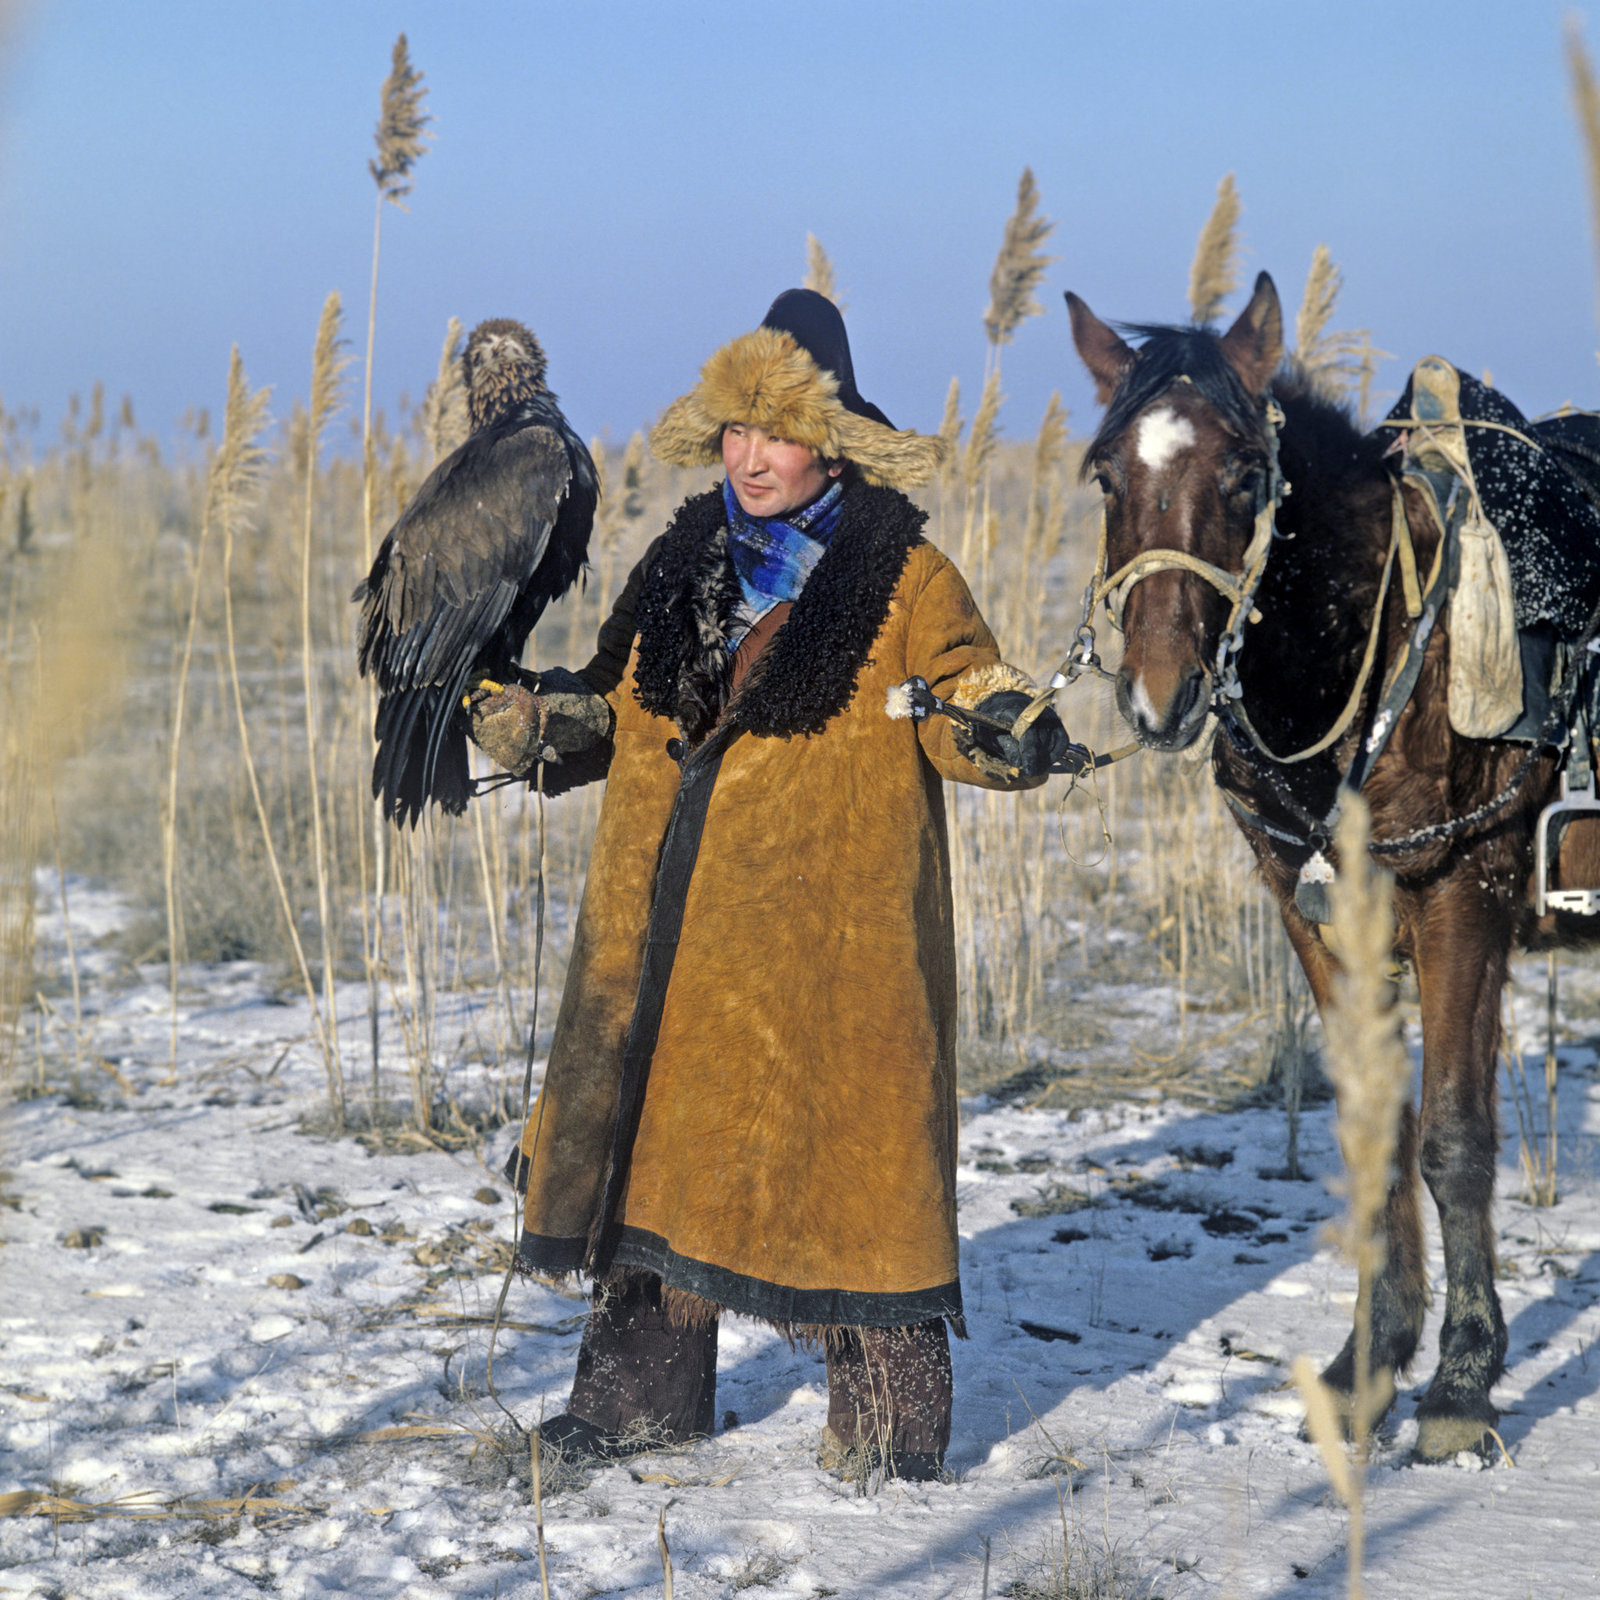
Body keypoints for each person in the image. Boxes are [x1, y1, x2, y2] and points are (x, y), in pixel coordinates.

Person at [467, 289, 1079, 1481]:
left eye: (780, 433)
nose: (751, 458)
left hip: (827, 948)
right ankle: (640, 1401)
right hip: (674, 929)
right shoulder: (681, 556)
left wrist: (1005, 725)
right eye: (736, 431)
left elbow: (963, 695)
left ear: (834, 436)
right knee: (658, 1144)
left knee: (856, 1169)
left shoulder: (905, 576)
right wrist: (543, 722)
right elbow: (612, 696)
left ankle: (889, 1428)